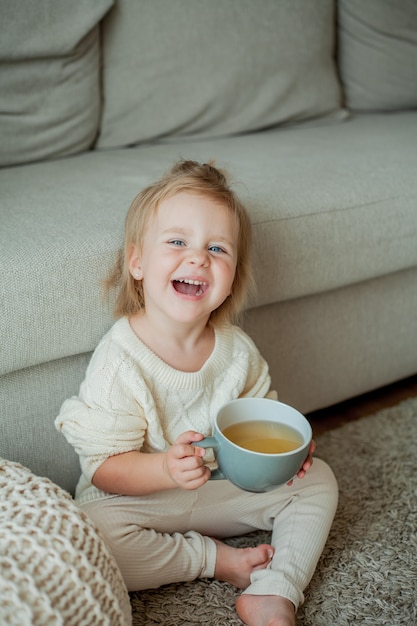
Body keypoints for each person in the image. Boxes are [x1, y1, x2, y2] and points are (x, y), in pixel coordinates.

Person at [56, 160, 338, 626]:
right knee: (91, 536)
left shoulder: (236, 351)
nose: (198, 257)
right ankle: (213, 561)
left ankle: (275, 589)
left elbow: (262, 417)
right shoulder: (120, 359)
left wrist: (289, 453)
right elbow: (105, 470)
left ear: (231, 279)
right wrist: (164, 467)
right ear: (137, 263)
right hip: (143, 502)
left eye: (217, 248)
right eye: (177, 242)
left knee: (320, 480)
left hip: (219, 490)